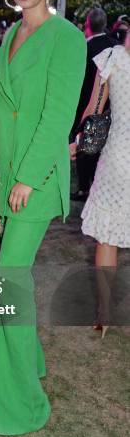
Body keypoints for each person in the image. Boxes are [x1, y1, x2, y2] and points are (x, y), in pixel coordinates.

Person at [0, 0, 86, 435]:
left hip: (35, 178)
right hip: (5, 175)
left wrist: (28, 177)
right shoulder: (8, 36)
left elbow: (58, 115)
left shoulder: (66, 37)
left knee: (7, 280)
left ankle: (24, 407)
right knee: (14, 279)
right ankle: (33, 365)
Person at [80, 28, 130, 337]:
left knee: (107, 238)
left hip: (117, 160)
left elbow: (93, 111)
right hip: (117, 162)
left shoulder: (113, 59)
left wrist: (77, 144)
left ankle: (104, 312)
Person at [70, 8, 116, 201]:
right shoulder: (115, 47)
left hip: (84, 104)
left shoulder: (82, 47)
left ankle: (83, 188)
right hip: (109, 108)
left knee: (83, 145)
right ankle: (95, 186)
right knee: (99, 149)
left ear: (88, 25)